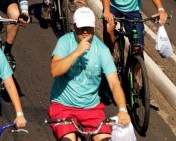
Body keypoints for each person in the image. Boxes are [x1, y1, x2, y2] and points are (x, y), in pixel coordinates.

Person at [48, 7, 130, 141]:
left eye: (88, 28)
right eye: (81, 28)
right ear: (74, 27)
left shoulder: (102, 50)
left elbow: (114, 83)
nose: (85, 32)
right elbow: (54, 70)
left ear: (93, 27)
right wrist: (77, 52)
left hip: (91, 109)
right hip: (63, 106)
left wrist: (122, 110)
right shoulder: (65, 41)